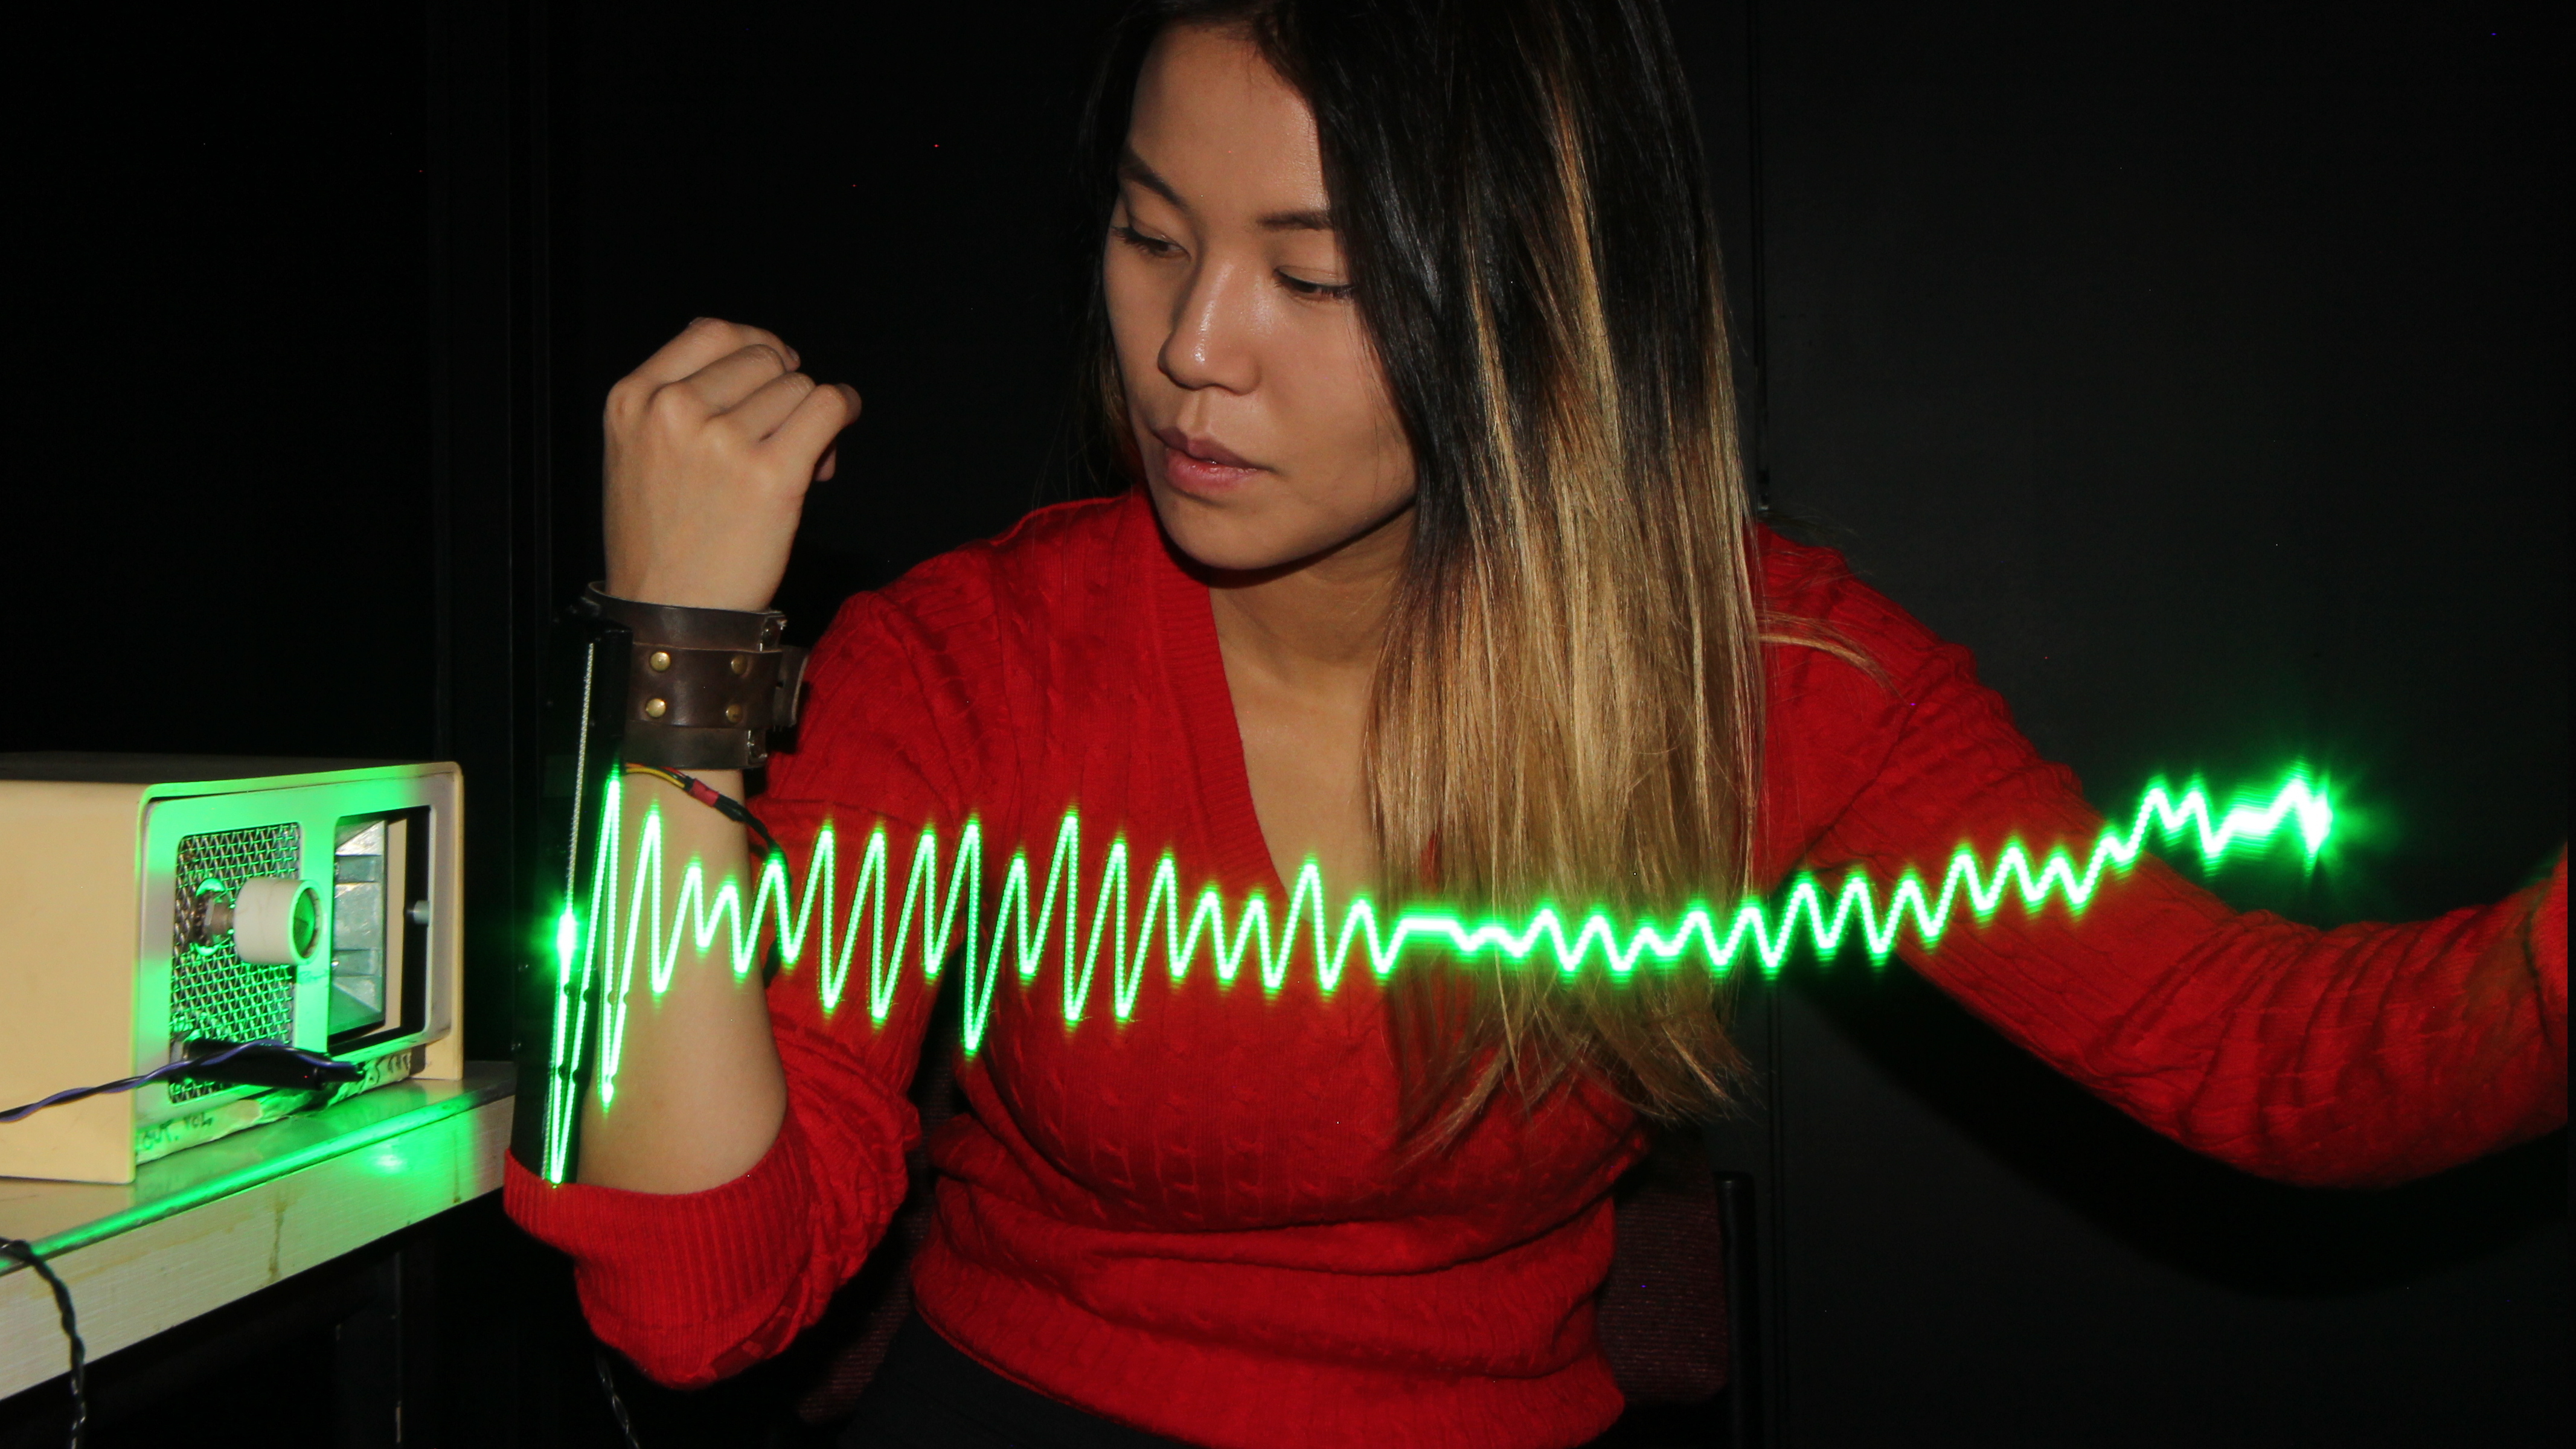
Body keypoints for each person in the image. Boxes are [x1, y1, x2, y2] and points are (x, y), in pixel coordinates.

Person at [505, 2, 2568, 1446]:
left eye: (1315, 277)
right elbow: (697, 1309)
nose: (1191, 349)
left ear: (1533, 299)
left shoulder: (1758, 676)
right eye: (1147, 235)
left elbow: (2278, 1064)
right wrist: (678, 663)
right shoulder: (972, 662)